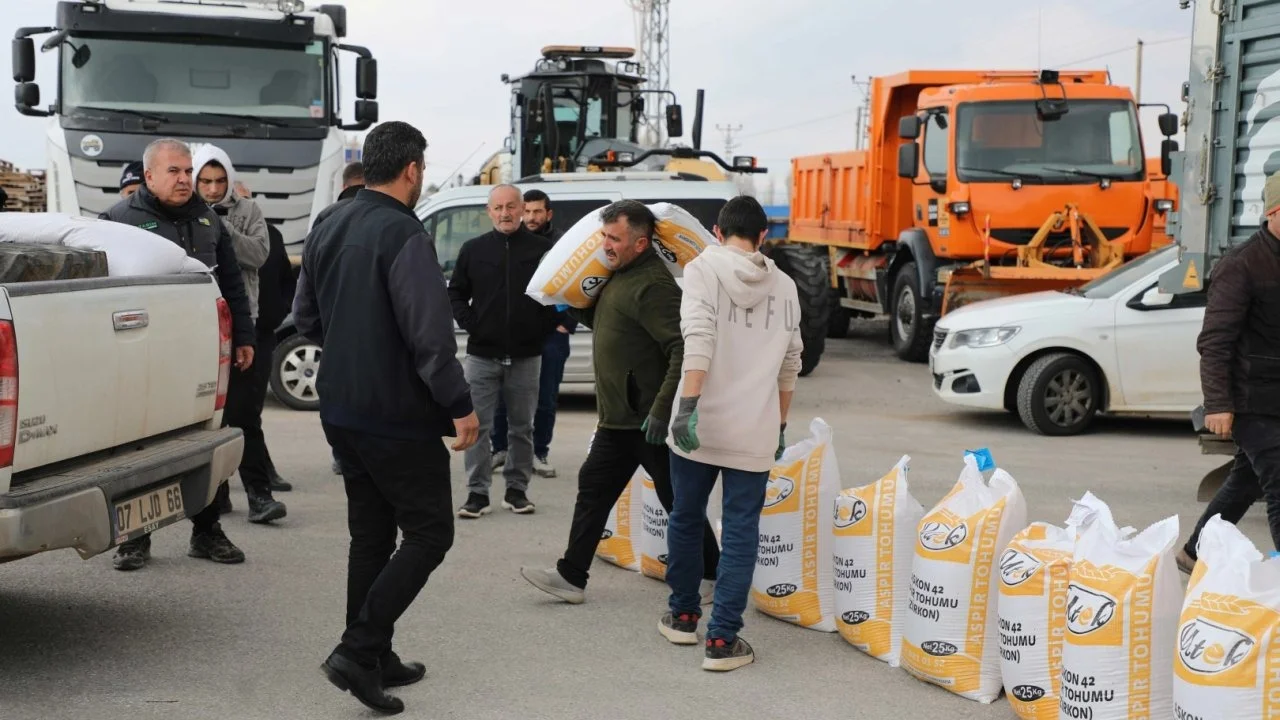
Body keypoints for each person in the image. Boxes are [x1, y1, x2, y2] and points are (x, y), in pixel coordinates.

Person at [294, 120, 479, 715]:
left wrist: (351, 342)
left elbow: (305, 318)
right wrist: (459, 405)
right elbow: (431, 338)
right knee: (430, 532)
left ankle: (374, 656)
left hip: (341, 406)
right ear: (412, 170)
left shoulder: (328, 222)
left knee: (371, 536)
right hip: (396, 414)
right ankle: (357, 651)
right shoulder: (404, 232)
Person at [520, 200, 721, 605]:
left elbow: (682, 349)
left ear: (640, 243)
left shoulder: (653, 286)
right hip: (618, 420)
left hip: (647, 421)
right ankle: (571, 576)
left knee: (677, 500)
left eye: (614, 238)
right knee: (594, 488)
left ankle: (712, 574)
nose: (606, 245)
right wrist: (572, 308)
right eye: (604, 236)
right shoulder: (619, 277)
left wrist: (662, 411)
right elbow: (609, 322)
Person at [659, 196, 803, 672]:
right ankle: (723, 641)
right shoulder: (785, 286)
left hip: (699, 424)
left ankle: (683, 617)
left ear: (717, 232)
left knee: (685, 517)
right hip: (754, 428)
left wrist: (687, 407)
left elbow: (698, 338)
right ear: (763, 236)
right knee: (741, 531)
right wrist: (779, 425)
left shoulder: (701, 269)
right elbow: (790, 363)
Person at [100, 138, 255, 570]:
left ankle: (207, 531)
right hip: (143, 357)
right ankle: (134, 538)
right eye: (174, 171)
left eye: (188, 171)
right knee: (139, 448)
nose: (185, 179)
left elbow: (232, 282)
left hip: (202, 351)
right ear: (149, 175)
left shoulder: (208, 218)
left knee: (205, 441)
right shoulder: (118, 221)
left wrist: (244, 336)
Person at [1178, 172, 1280, 573]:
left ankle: (1194, 553)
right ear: (1274, 212)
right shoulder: (1241, 265)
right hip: (1250, 400)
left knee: (1246, 482)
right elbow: (1215, 341)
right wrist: (1218, 403)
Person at [447, 184, 558, 518]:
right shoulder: (473, 249)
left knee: (522, 427)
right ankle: (477, 493)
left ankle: (517, 490)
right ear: (489, 212)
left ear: (522, 209)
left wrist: (540, 329)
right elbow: (455, 293)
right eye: (498, 208)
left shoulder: (542, 250)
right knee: (476, 427)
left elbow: (556, 295)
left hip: (526, 356)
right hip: (482, 355)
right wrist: (474, 324)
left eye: (511, 206)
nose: (505, 213)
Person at [193, 145, 287, 525]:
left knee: (245, 414)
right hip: (201, 325)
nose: (213, 189)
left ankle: (260, 495)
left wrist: (221, 227)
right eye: (206, 181)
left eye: (220, 181)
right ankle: (216, 495)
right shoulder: (186, 214)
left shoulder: (248, 211)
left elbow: (258, 254)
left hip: (244, 324)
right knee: (209, 419)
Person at [491, 188, 575, 478]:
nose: (531, 217)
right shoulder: (508, 242)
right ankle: (500, 449)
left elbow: (581, 283)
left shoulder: (563, 244)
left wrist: (567, 323)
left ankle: (539, 452)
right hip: (515, 333)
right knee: (503, 394)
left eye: (537, 211)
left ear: (548, 214)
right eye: (526, 211)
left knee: (545, 397)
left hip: (552, 334)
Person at [233, 180, 295, 494]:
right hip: (234, 335)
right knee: (236, 414)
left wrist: (279, 312)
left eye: (248, 201)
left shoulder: (271, 235)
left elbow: (286, 278)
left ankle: (262, 477)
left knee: (252, 410)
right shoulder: (219, 235)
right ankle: (231, 488)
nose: (245, 209)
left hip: (263, 334)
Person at [314, 160, 366, 477]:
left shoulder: (325, 218)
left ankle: (342, 455)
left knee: (336, 396)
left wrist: (321, 332)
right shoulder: (388, 215)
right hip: (374, 331)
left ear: (344, 186)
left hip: (333, 328)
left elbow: (306, 290)